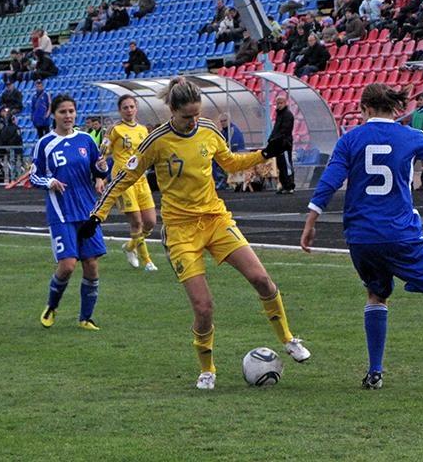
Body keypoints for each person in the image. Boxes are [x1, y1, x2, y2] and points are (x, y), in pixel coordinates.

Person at [80, 77, 310, 390]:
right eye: (186, 116)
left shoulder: (209, 130)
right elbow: (124, 177)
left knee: (261, 279)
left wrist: (265, 153)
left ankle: (288, 339)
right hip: (180, 231)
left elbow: (230, 163)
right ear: (172, 111)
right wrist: (97, 215)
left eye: (196, 114)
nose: (192, 121)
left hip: (215, 220)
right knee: (204, 307)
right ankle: (207, 370)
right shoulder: (157, 140)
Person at [300, 83, 423, 389]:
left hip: (361, 237)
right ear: (394, 108)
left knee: (377, 295)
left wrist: (311, 220)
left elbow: (330, 181)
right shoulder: (411, 136)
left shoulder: (350, 139)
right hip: (401, 233)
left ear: (364, 108)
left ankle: (375, 372)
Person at [30, 94, 109, 331]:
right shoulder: (45, 143)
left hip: (87, 211)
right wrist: (50, 182)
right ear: (54, 115)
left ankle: (86, 318)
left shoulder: (86, 140)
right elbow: (34, 176)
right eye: (63, 112)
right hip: (61, 213)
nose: (68, 116)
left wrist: (102, 172)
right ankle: (52, 306)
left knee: (91, 265)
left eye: (71, 111)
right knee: (67, 265)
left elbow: (98, 170)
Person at [100, 95, 158, 272]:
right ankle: (147, 261)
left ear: (136, 108)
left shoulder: (143, 130)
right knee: (137, 221)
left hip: (140, 179)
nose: (129, 110)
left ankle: (130, 246)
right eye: (125, 107)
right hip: (123, 179)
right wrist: (101, 171)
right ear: (120, 110)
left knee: (150, 221)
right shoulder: (115, 129)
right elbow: (103, 152)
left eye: (131, 106)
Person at [269, 95, 296, 194]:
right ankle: (284, 185)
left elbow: (285, 130)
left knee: (286, 165)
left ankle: (290, 185)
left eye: (281, 103)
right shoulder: (279, 114)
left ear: (285, 103)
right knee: (281, 165)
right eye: (277, 103)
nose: (279, 105)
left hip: (285, 144)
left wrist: (276, 139)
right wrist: (271, 139)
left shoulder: (287, 115)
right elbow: (276, 129)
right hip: (279, 144)